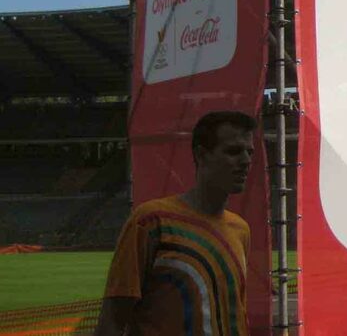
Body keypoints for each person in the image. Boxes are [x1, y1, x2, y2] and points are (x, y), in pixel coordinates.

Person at [94, 111, 256, 336]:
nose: (246, 161)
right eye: (233, 151)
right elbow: (113, 319)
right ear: (201, 155)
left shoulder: (240, 229)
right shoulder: (151, 221)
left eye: (249, 152)